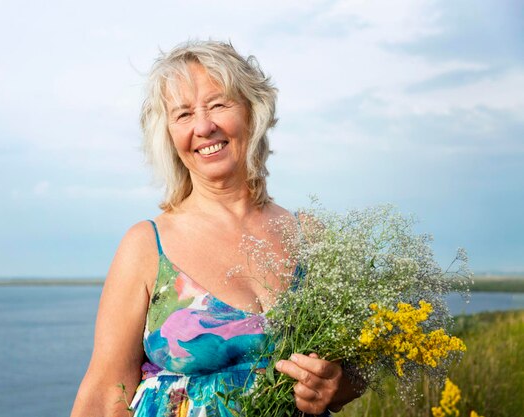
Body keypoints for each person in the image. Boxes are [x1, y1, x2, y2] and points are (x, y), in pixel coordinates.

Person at [70, 40, 361, 417]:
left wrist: (338, 386)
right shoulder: (146, 245)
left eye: (218, 104)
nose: (204, 127)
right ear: (169, 137)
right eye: (184, 114)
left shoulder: (311, 237)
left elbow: (353, 372)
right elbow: (105, 391)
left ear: (252, 112)